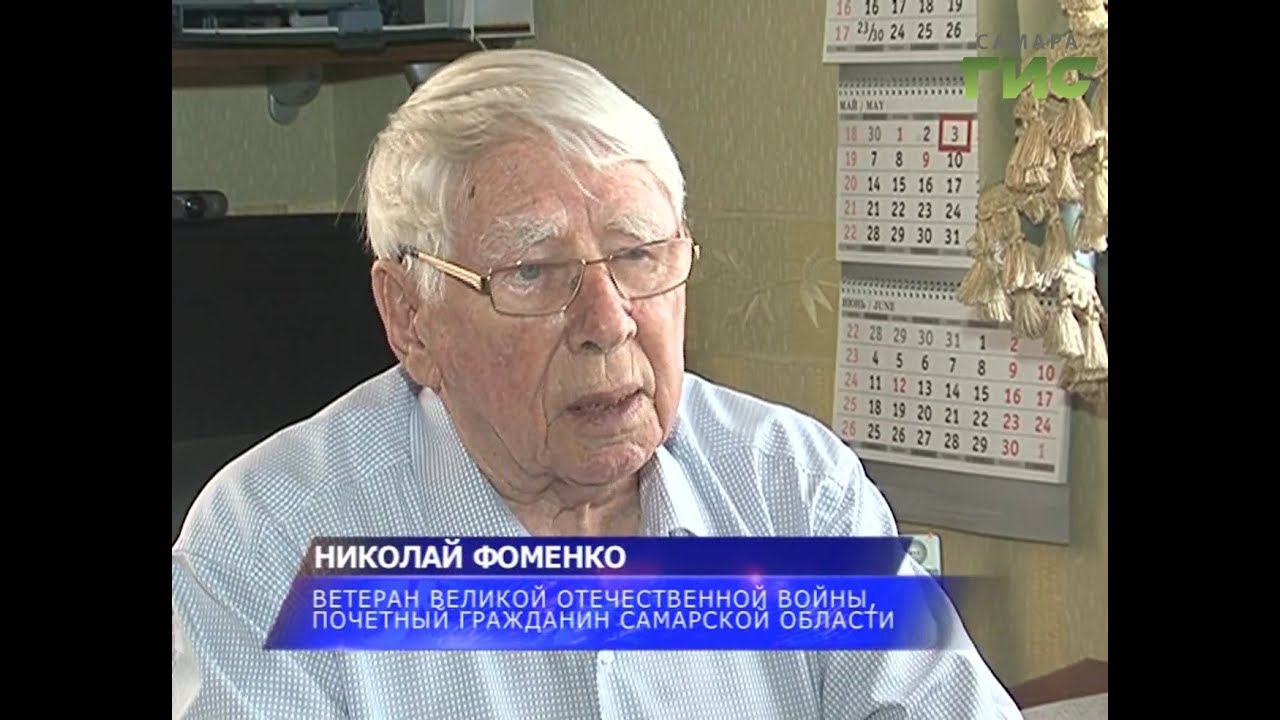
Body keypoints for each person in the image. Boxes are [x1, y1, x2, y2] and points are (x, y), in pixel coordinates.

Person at [171, 47, 1022, 719]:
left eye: (639, 255)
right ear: (411, 319)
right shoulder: (268, 551)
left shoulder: (791, 486)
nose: (609, 320)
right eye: (532, 272)